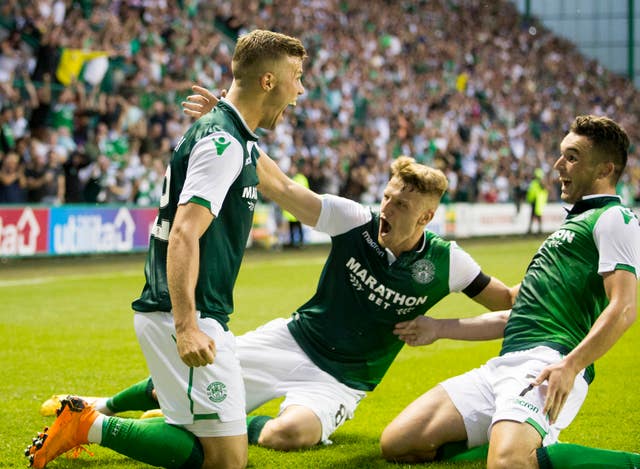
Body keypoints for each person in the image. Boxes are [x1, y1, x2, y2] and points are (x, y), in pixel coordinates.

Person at [40, 87, 516, 452]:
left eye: (402, 203)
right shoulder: (357, 220)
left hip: (343, 379)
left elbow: (511, 305)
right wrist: (232, 127)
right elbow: (288, 191)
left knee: (288, 435)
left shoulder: (448, 262)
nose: (387, 206)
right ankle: (102, 406)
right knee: (203, 369)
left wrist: (443, 326)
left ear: (426, 217)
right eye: (388, 195)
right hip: (293, 338)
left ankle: (199, 419)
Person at [26, 29, 307, 469]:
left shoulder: (231, 136)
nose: (301, 90)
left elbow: (277, 180)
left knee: (206, 439)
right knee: (228, 460)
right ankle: (86, 424)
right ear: (268, 82)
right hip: (183, 314)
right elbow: (184, 233)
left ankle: (94, 419)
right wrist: (187, 325)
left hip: (192, 312)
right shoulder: (224, 143)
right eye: (297, 77)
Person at [380, 115, 640, 469]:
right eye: (562, 154)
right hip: (503, 365)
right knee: (398, 443)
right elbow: (512, 314)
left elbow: (624, 307)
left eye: (572, 156)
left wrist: (571, 365)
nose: (557, 164)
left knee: (508, 464)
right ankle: (505, 441)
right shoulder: (571, 229)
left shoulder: (614, 218)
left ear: (605, 169)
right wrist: (438, 327)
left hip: (547, 363)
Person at [526, 168, 548, 235]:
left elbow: (543, 190)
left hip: (537, 201)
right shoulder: (535, 182)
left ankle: (538, 230)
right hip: (534, 201)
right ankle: (533, 229)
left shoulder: (538, 183)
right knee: (533, 215)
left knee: (537, 215)